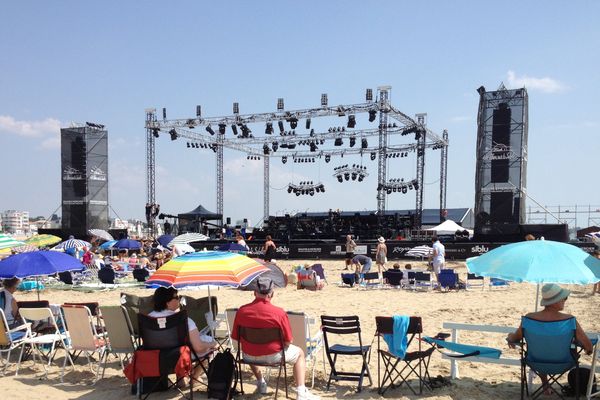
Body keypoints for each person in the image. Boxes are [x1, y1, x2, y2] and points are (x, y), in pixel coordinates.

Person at [230, 278, 320, 400]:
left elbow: (235, 336)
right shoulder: (279, 313)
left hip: (248, 356)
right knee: (300, 354)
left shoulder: (242, 311)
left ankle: (261, 382)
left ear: (254, 293)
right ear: (272, 293)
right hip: (274, 356)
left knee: (251, 346)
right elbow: (288, 341)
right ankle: (301, 391)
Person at [506, 283, 593, 393]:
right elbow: (589, 347)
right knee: (553, 347)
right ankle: (546, 384)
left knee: (541, 347)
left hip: (535, 363)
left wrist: (510, 337)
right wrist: (584, 347)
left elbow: (514, 338)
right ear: (555, 301)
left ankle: (545, 384)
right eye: (564, 298)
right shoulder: (569, 321)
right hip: (564, 363)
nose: (565, 300)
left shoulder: (528, 319)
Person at [149, 287, 217, 382]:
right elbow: (198, 347)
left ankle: (181, 379)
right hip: (178, 357)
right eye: (176, 297)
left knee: (180, 347)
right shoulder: (184, 320)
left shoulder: (149, 318)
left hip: (155, 357)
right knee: (208, 344)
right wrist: (212, 344)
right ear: (167, 303)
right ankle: (194, 378)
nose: (179, 299)